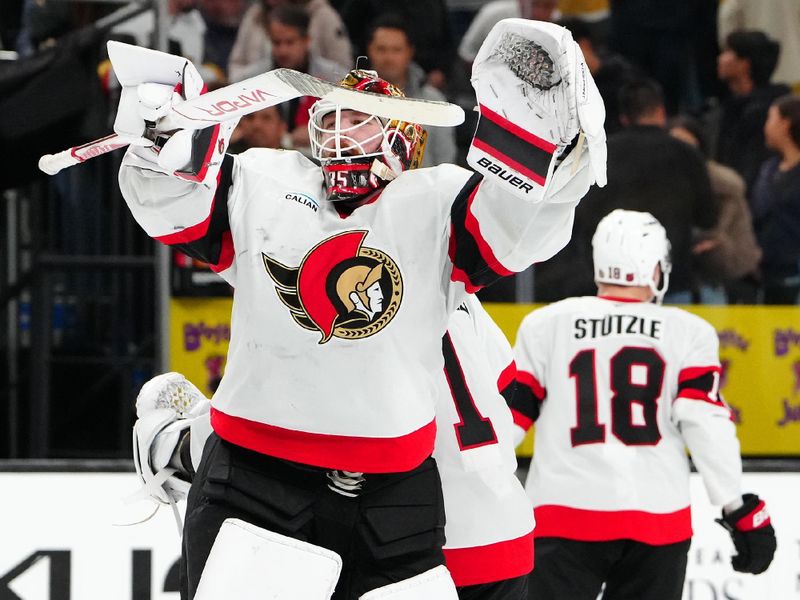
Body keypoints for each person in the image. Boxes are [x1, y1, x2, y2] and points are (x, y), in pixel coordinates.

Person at [112, 18, 604, 600]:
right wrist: (165, 147)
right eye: (332, 117)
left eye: (358, 120)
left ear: (404, 140)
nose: (340, 133)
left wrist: (550, 153)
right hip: (256, 474)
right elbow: (175, 208)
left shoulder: (436, 200)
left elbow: (517, 226)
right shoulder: (264, 179)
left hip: (395, 494)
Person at [133, 294, 534, 600]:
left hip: (420, 542)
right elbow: (504, 387)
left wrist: (187, 444)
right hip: (508, 535)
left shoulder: (330, 298)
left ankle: (178, 445)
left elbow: (286, 430)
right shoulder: (459, 294)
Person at [513, 209, 777, 600]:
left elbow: (506, 424)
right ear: (654, 265)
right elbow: (703, 422)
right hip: (657, 520)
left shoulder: (546, 324)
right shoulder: (687, 331)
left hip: (562, 513)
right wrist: (735, 506)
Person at [533, 78, 716, 303]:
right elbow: (708, 217)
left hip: (607, 282)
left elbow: (576, 215)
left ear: (624, 118)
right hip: (670, 281)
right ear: (661, 111)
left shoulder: (600, 154)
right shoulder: (687, 155)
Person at [668, 115, 762, 304]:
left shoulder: (715, 177)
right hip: (680, 273)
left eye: (688, 144)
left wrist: (714, 234)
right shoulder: (665, 180)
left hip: (723, 272)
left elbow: (734, 188)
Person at [365, 15, 457, 166]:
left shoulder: (435, 102)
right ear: (369, 50)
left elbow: (446, 162)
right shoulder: (350, 100)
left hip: (425, 188)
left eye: (396, 50)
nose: (389, 57)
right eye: (381, 49)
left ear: (409, 52)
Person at [713, 30, 790, 193]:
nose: (720, 58)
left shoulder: (765, 113)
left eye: (728, 52)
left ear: (745, 64)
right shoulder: (730, 109)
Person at [750, 94, 800, 304]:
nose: (765, 127)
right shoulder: (767, 169)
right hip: (766, 276)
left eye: (770, 119)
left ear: (784, 124)